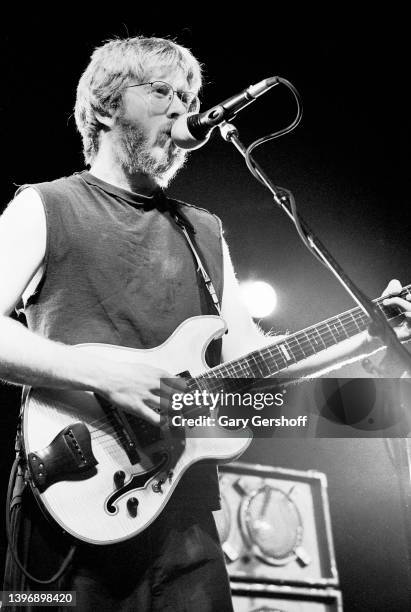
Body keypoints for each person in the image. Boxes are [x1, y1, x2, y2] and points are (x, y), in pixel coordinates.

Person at [0, 36, 410, 611]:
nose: (182, 109)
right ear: (104, 107)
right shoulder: (45, 206)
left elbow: (254, 362)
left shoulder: (204, 231)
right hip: (71, 497)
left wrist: (369, 331)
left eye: (188, 95)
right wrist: (107, 376)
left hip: (184, 514)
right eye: (162, 92)